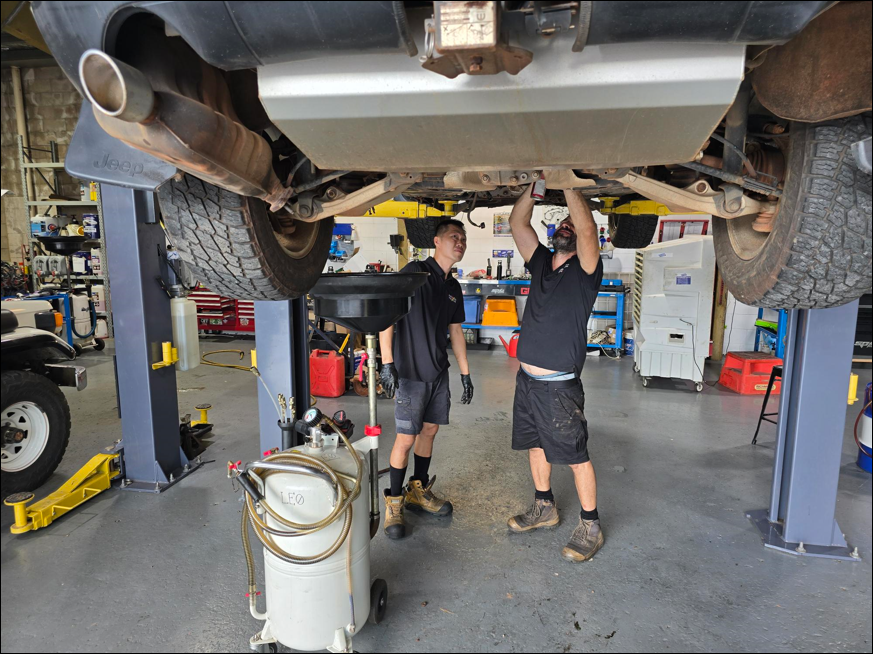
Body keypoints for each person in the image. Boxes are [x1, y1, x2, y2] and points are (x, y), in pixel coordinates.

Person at [506, 185, 605, 562]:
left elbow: (587, 229)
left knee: (576, 456)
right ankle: (544, 507)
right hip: (527, 383)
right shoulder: (541, 262)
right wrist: (535, 188)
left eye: (572, 223)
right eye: (563, 222)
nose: (567, 225)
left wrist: (567, 183)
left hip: (559, 387)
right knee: (535, 445)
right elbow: (518, 222)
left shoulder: (586, 270)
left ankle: (591, 525)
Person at [378, 219, 474, 540]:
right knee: (406, 438)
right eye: (454, 237)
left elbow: (456, 331)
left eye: (463, 239)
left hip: (437, 372)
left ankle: (417, 490)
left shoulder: (453, 287)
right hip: (410, 372)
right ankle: (394, 501)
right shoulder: (415, 272)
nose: (460, 243)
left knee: (430, 430)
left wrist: (465, 372)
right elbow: (388, 316)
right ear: (436, 241)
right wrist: (387, 363)